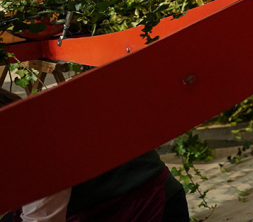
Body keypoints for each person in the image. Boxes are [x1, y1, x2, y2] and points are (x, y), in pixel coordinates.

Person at [0, 89, 189, 222]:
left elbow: (41, 219)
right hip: (101, 201)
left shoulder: (35, 152)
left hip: (144, 201)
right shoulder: (20, 136)